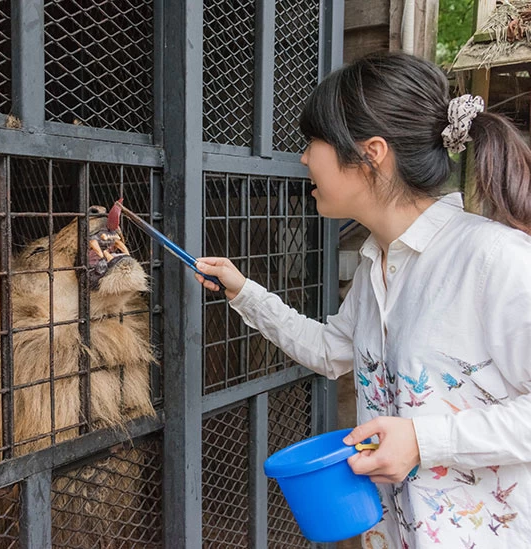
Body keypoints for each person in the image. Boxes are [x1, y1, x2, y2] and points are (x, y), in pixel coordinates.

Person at [194, 52, 531, 548]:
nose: (305, 158)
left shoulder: (494, 258)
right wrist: (244, 292)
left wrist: (422, 441)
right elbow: (332, 350)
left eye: (314, 142)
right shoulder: (381, 262)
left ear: (371, 152)